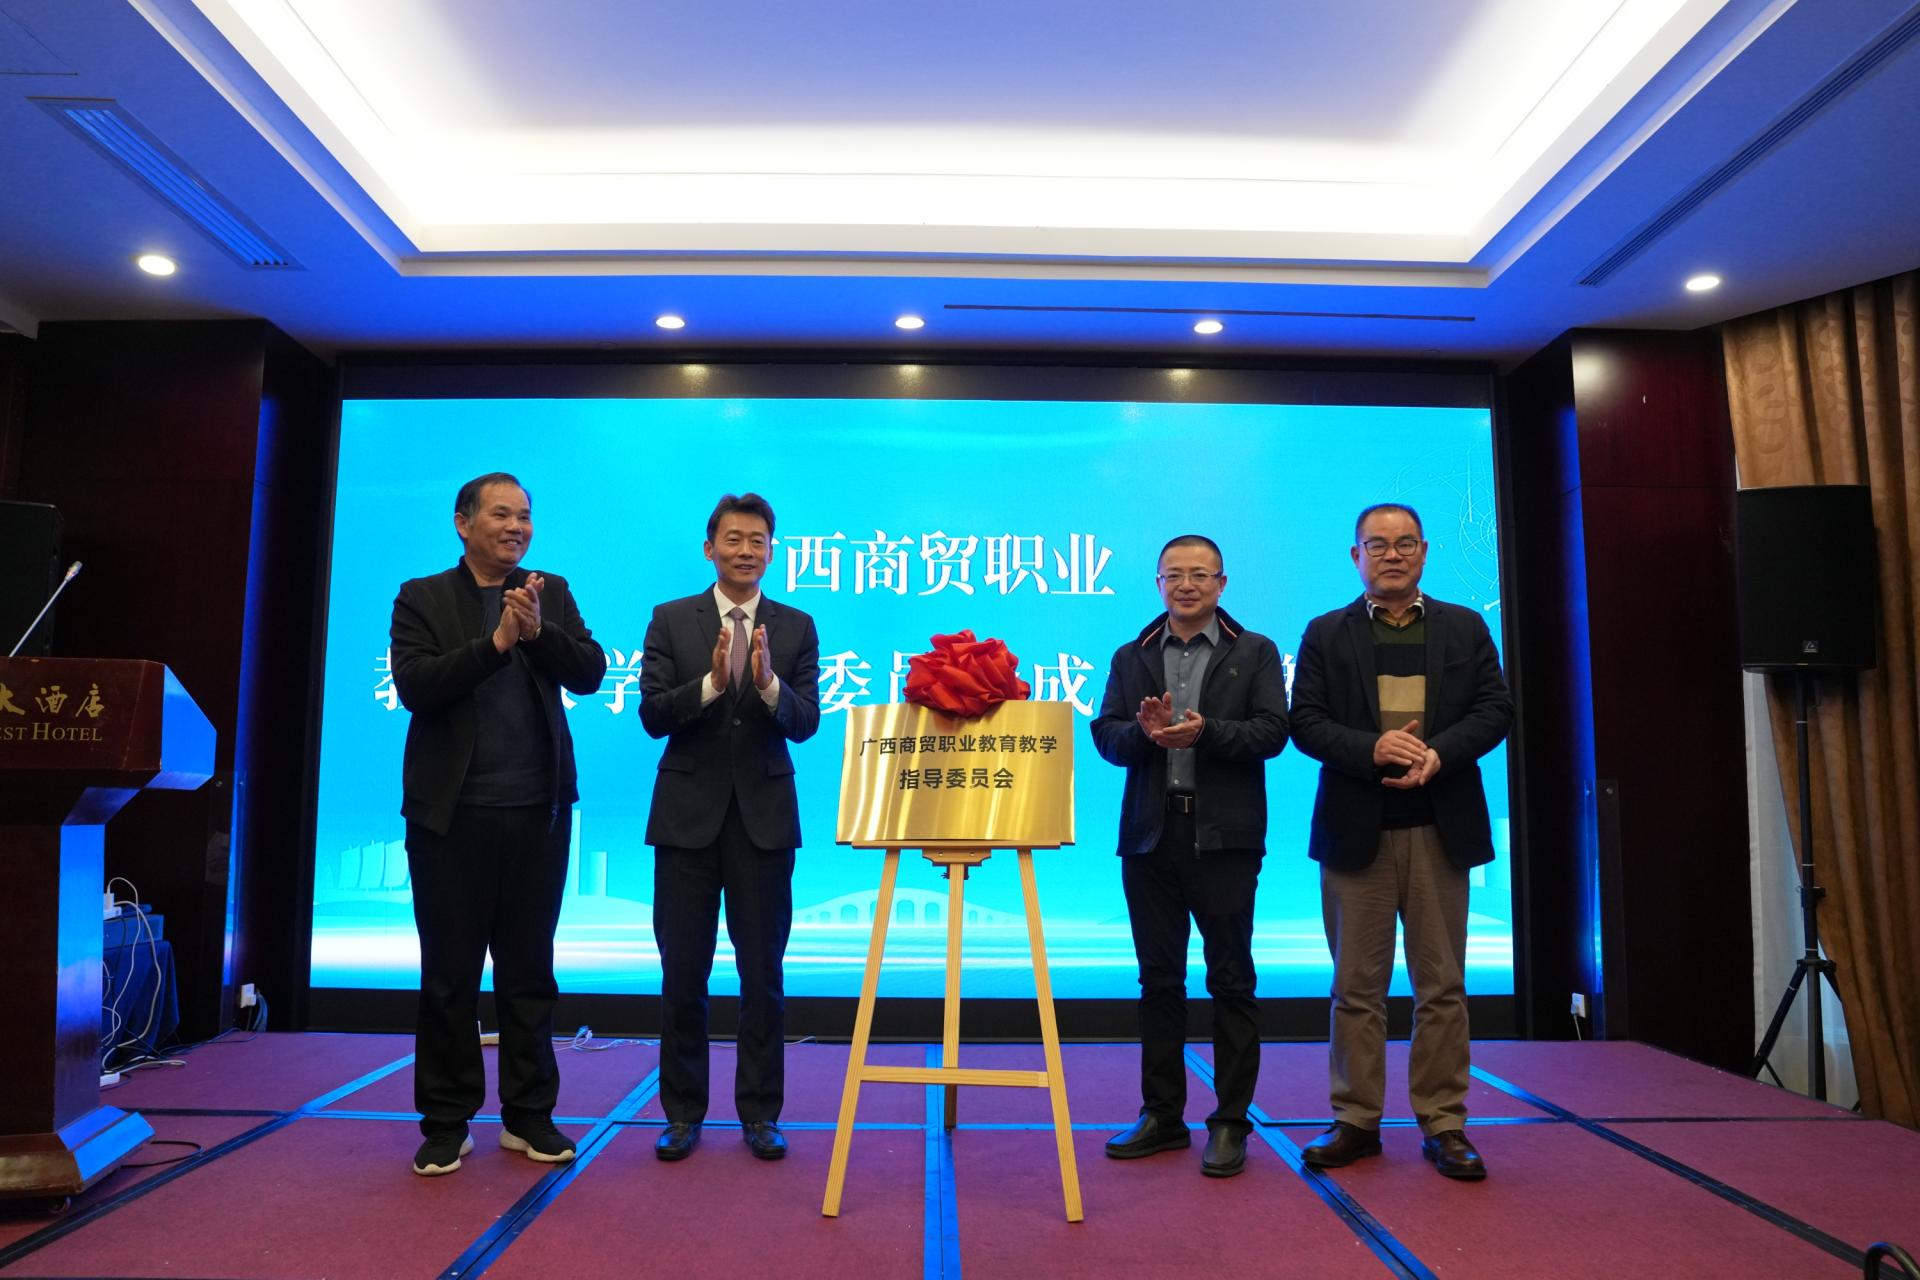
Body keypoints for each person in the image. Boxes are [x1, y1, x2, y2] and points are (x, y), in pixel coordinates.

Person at [390, 472, 607, 1177]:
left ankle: (529, 1114)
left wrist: (537, 632)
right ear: (464, 523)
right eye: (502, 515)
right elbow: (418, 687)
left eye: (525, 516)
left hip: (538, 812)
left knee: (528, 972)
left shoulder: (551, 589)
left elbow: (590, 672)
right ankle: (446, 1122)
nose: (517, 528)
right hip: (450, 818)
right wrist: (498, 642)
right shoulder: (422, 596)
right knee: (449, 975)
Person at [1290, 503, 1512, 1180]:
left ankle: (1444, 1123)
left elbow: (1495, 709)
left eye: (1405, 543)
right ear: (1355, 556)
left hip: (1439, 828)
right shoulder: (1325, 632)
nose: (1392, 554)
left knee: (1441, 986)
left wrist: (1439, 753)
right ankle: (1356, 1120)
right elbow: (1305, 722)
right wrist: (1372, 747)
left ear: (1424, 551)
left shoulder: (1464, 626)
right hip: (1356, 831)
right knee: (1355, 988)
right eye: (1377, 544)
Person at [1090, 534, 1289, 1177]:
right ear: (1158, 583)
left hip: (1225, 839)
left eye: (1199, 575)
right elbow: (1106, 736)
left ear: (1221, 583)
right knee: (1158, 982)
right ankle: (1162, 1115)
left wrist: (1206, 732)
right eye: (1173, 575)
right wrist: (1145, 736)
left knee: (1230, 979)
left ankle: (1230, 1122)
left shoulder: (1254, 651)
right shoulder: (1132, 655)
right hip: (1151, 837)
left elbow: (1273, 733)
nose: (1186, 585)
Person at [640, 493, 821, 1162]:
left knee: (762, 975)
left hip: (764, 823)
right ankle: (683, 1114)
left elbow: (805, 722)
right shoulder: (670, 618)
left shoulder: (796, 626)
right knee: (682, 974)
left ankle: (761, 1114)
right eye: (734, 539)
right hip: (685, 822)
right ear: (709, 547)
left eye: (758, 541)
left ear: (772, 551)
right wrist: (713, 684)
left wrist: (768, 684)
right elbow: (652, 715)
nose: (746, 550)